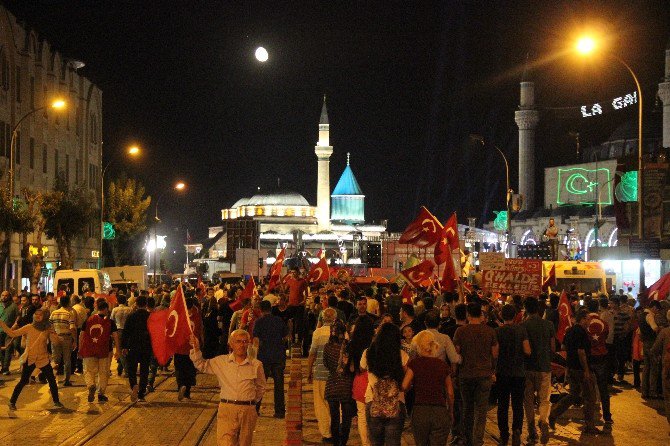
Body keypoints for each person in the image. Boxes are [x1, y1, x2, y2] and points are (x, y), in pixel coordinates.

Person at [190, 329, 266, 446]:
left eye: (245, 341)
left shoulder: (256, 365)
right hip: (227, 409)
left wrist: (251, 401)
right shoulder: (221, 362)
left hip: (248, 411)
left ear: (248, 343)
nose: (242, 345)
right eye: (238, 341)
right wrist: (196, 348)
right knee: (225, 443)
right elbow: (201, 365)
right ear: (231, 344)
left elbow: (261, 387)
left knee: (245, 443)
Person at [453, 302, 498, 446]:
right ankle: (478, 440)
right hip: (484, 374)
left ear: (468, 315)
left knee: (467, 408)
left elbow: (456, 354)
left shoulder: (460, 331)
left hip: (466, 375)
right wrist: (492, 370)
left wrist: (455, 372)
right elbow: (495, 354)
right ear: (481, 314)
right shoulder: (490, 331)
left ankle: (468, 440)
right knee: (481, 410)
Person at [549, 309, 600, 435]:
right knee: (590, 398)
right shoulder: (581, 332)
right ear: (582, 319)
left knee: (573, 395)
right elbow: (581, 352)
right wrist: (586, 370)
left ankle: (553, 414)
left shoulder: (570, 331)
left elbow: (563, 347)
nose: (589, 321)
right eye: (588, 319)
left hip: (571, 367)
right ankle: (589, 425)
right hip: (581, 370)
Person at [0, 309, 63, 410]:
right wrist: (1, 323)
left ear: (44, 317)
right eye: (36, 314)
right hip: (30, 358)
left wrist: (55, 335)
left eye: (40, 315)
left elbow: (55, 343)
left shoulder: (47, 328)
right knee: (23, 381)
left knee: (51, 380)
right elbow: (12, 333)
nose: (37, 316)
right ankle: (12, 402)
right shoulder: (29, 327)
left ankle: (57, 402)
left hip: (43, 359)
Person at [402, 330, 454, 446]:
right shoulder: (443, 365)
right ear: (433, 345)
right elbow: (450, 393)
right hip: (439, 411)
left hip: (420, 410)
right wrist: (450, 411)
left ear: (418, 346)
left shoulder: (414, 364)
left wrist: (412, 386)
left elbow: (404, 386)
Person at [361, 322, 408, 446]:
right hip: (396, 402)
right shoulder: (402, 355)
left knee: (375, 442)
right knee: (393, 442)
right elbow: (405, 382)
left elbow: (361, 368)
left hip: (373, 401)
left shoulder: (368, 353)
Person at [496, 304, 531, 446]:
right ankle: (517, 429)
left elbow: (495, 353)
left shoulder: (497, 331)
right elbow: (527, 350)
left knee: (502, 405)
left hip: (502, 372)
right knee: (517, 404)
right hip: (518, 373)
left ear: (502, 316)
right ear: (515, 315)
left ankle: (504, 434)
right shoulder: (521, 330)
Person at [521, 297, 554, 445]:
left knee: (528, 400)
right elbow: (553, 348)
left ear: (526, 309)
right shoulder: (548, 325)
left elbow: (523, 349)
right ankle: (543, 420)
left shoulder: (523, 326)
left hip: (528, 368)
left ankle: (531, 431)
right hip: (544, 367)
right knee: (544, 398)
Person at [253, 299, 288, 418]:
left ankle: (255, 409)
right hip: (278, 356)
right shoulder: (279, 320)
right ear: (271, 309)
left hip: (263, 357)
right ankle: (279, 412)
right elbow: (285, 336)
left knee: (260, 385)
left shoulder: (258, 322)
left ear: (260, 310)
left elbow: (256, 341)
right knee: (279, 386)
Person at [80, 299, 119, 403]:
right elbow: (115, 336)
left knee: (88, 371)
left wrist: (80, 348)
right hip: (104, 351)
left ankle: (91, 385)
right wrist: (118, 350)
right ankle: (101, 394)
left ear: (97, 308)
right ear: (106, 309)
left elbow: (82, 335)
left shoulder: (88, 320)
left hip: (89, 350)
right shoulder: (110, 322)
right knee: (103, 373)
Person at [324, 319, 356, 446]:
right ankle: (343, 442)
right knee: (347, 418)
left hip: (332, 383)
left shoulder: (328, 347)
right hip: (346, 384)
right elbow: (352, 367)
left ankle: (336, 443)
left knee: (334, 417)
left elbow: (325, 364)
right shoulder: (349, 346)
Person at [308, 307, 336, 441]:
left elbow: (312, 354)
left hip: (320, 373)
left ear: (323, 318)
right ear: (335, 319)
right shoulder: (341, 333)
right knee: (335, 403)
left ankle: (326, 433)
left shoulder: (317, 333)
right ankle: (336, 428)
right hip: (336, 375)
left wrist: (309, 371)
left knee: (321, 403)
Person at [586, 299, 613, 429]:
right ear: (598, 308)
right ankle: (607, 416)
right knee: (603, 388)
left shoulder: (585, 323)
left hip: (589, 357)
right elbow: (606, 336)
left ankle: (589, 418)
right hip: (602, 356)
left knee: (588, 388)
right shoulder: (603, 323)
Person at [349, 315, 375, 446]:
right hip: (374, 382)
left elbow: (352, 367)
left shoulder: (353, 343)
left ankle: (365, 443)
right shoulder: (375, 344)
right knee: (374, 416)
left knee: (362, 416)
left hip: (359, 380)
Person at [121, 295, 152, 402]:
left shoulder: (131, 316)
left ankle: (134, 384)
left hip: (133, 346)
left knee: (132, 369)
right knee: (144, 370)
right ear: (146, 304)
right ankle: (141, 393)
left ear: (136, 304)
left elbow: (126, 332)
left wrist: (124, 346)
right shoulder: (150, 316)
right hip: (146, 346)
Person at [175, 297, 203, 401]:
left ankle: (181, 386)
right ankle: (187, 392)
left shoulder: (179, 317)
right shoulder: (197, 316)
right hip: (192, 348)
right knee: (190, 370)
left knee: (179, 369)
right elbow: (200, 331)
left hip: (179, 348)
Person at [49, 294, 77, 386]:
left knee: (55, 359)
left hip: (55, 337)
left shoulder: (54, 313)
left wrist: (52, 336)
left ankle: (52, 379)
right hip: (66, 338)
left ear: (60, 303)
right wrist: (75, 340)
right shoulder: (69, 314)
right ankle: (66, 380)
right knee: (67, 360)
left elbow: (49, 326)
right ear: (68, 303)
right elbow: (72, 328)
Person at [110, 293, 132, 377]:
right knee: (126, 350)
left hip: (118, 331)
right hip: (128, 331)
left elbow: (112, 320)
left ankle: (125, 370)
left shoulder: (115, 310)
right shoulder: (129, 309)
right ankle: (122, 368)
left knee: (119, 350)